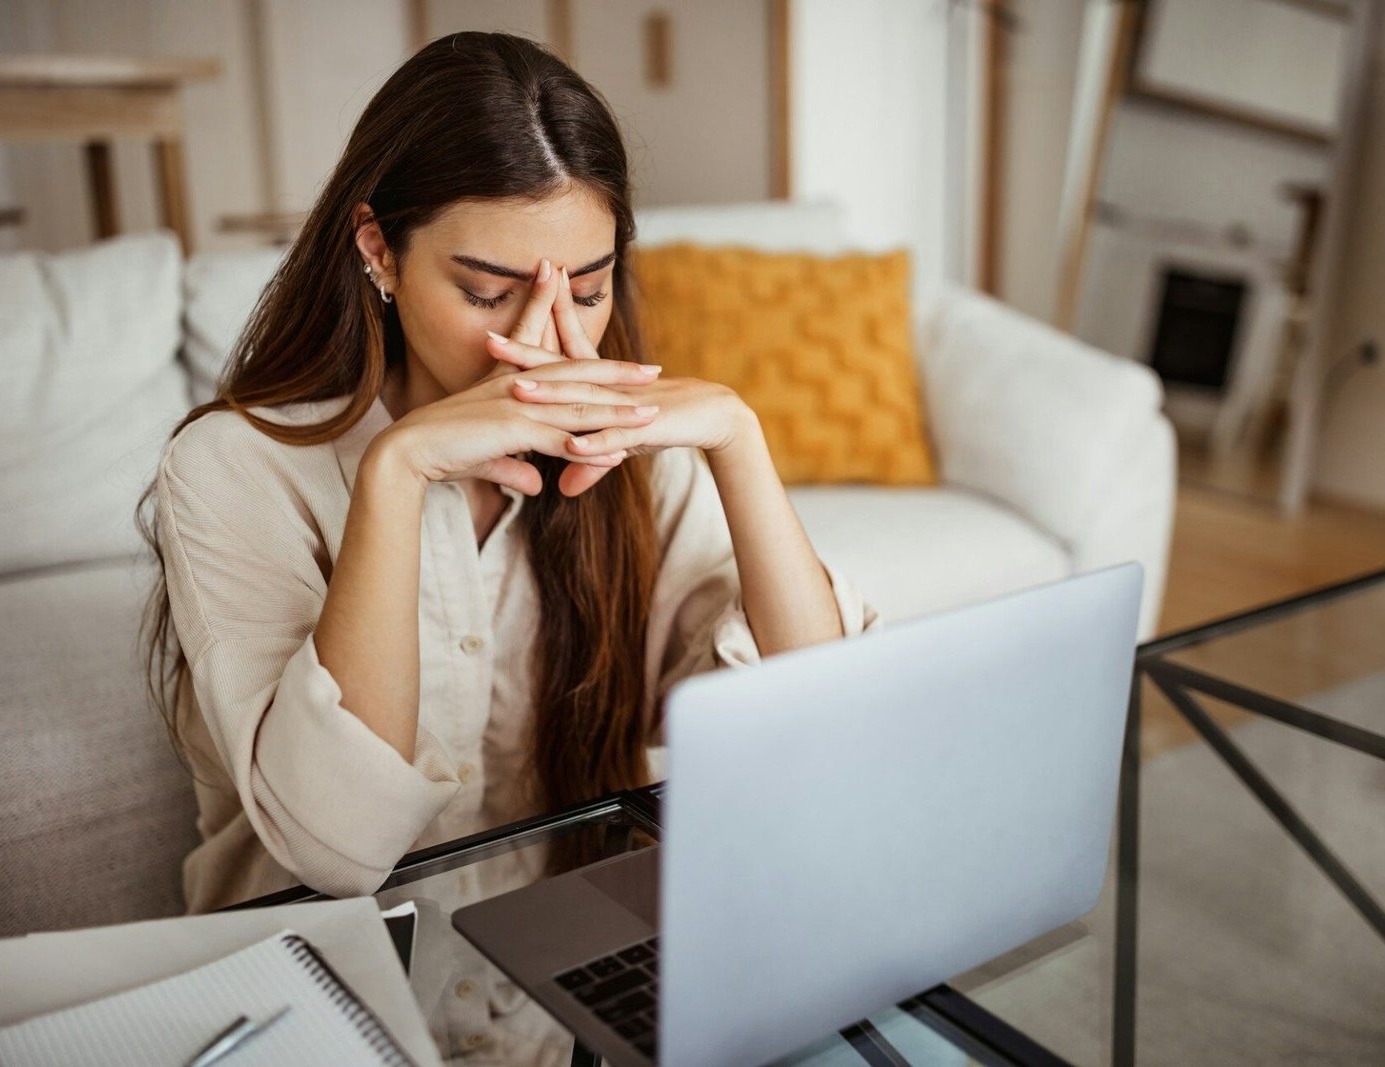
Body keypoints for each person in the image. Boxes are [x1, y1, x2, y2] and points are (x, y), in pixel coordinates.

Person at [135, 29, 879, 1064]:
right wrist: (397, 474)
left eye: (586, 288)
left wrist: (738, 440)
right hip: (311, 1008)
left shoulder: (636, 462)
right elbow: (337, 848)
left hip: (560, 1005)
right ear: (376, 248)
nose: (549, 341)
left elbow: (825, 729)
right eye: (487, 291)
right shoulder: (232, 469)